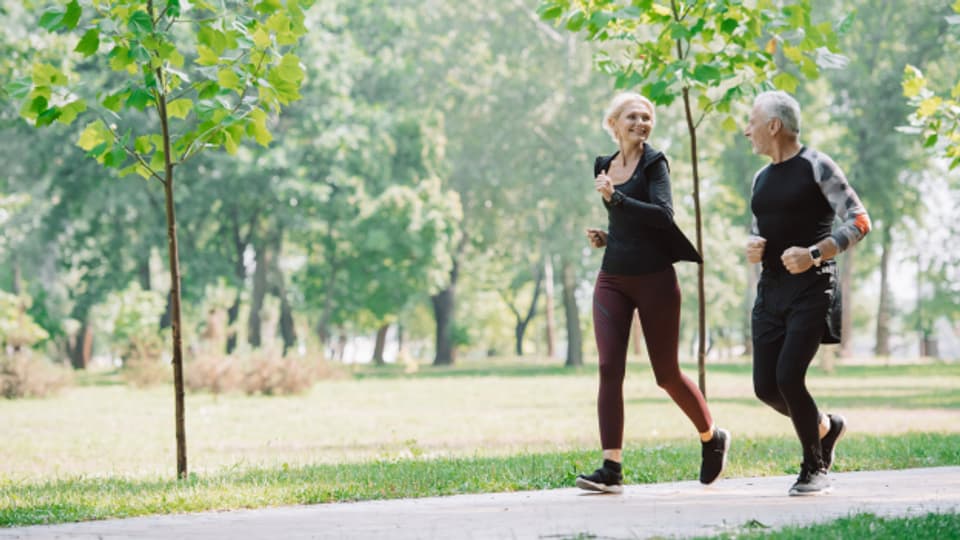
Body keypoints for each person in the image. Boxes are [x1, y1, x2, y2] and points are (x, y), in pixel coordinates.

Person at [576, 92, 730, 494]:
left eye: (647, 118)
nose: (641, 123)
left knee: (666, 375)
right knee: (610, 368)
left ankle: (711, 436)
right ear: (614, 123)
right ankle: (611, 468)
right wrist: (609, 236)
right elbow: (630, 225)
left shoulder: (655, 163)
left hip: (656, 280)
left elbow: (662, 216)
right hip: (613, 277)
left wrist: (617, 198)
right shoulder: (603, 165)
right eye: (633, 117)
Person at [743, 90, 871, 496]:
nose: (748, 131)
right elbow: (760, 227)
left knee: (788, 377)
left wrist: (815, 253)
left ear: (774, 126)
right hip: (771, 292)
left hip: (813, 288)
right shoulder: (760, 178)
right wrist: (753, 244)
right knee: (766, 387)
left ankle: (814, 467)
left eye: (752, 122)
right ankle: (826, 427)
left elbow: (860, 220)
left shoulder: (817, 165)